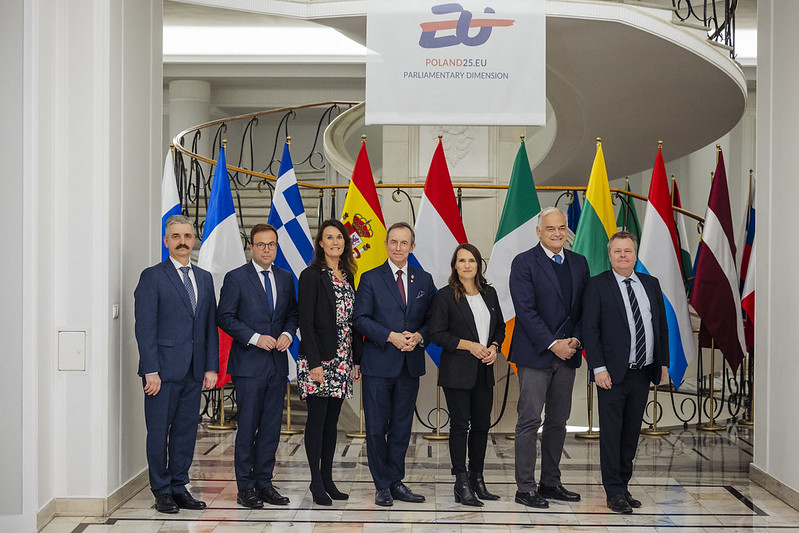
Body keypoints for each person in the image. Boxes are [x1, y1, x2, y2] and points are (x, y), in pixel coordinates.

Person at [134, 214, 219, 514]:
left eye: (187, 236)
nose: (182, 241)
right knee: (159, 433)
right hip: (162, 372)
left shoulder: (205, 278)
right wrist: (150, 370)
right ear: (166, 241)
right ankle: (161, 491)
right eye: (176, 236)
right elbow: (145, 328)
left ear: (193, 240)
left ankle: (179, 486)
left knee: (185, 432)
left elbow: (209, 326)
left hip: (194, 371)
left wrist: (211, 367)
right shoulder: (152, 276)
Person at [582, 231, 669, 514]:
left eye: (627, 251)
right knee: (611, 435)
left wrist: (662, 362)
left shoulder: (650, 283)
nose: (623, 256)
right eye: (617, 251)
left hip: (642, 371)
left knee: (631, 434)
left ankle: (624, 485)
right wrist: (598, 368)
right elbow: (590, 330)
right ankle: (613, 491)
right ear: (610, 255)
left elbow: (660, 326)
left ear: (635, 254)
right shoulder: (597, 285)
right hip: (611, 374)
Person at [508, 206, 590, 508]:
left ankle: (551, 483)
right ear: (539, 231)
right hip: (535, 354)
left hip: (569, 353)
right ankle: (525, 488)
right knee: (530, 420)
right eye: (551, 228)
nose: (557, 233)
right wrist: (554, 344)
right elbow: (525, 311)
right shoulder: (524, 262)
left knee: (558, 421)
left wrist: (576, 340)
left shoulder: (579, 262)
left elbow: (585, 309)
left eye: (562, 227)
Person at [353, 222, 436, 507]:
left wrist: (420, 336)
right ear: (386, 244)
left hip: (409, 364)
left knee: (401, 427)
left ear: (412, 247)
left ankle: (396, 481)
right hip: (378, 364)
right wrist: (390, 336)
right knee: (376, 428)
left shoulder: (424, 279)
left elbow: (433, 319)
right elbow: (360, 319)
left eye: (404, 243)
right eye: (394, 242)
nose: (398, 248)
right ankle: (382, 485)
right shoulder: (370, 278)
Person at [217, 223, 299, 509]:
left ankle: (265, 484)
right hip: (248, 366)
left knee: (271, 428)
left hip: (277, 365)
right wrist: (254, 338)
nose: (267, 249)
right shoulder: (236, 278)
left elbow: (292, 314)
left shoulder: (286, 277)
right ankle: (246, 487)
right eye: (261, 244)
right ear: (251, 247)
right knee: (248, 426)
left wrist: (288, 334)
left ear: (276, 247)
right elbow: (224, 317)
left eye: (271, 244)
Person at [430, 243, 505, 507]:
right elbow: (437, 334)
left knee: (482, 426)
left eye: (471, 260)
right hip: (457, 372)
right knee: (460, 426)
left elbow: (500, 327)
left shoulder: (490, 293)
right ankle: (461, 482)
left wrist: (494, 347)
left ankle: (477, 478)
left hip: (484, 371)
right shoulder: (445, 296)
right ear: (455, 266)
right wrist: (469, 345)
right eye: (461, 260)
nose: (467, 265)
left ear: (478, 265)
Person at [297, 220, 363, 506]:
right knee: (317, 419)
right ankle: (315, 482)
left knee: (332, 422)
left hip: (342, 359)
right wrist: (315, 362)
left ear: (345, 242)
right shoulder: (311, 275)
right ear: (321, 243)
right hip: (319, 360)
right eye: (329, 237)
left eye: (339, 237)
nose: (335, 242)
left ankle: (327, 479)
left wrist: (356, 360)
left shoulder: (348, 274)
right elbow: (306, 321)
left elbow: (353, 322)